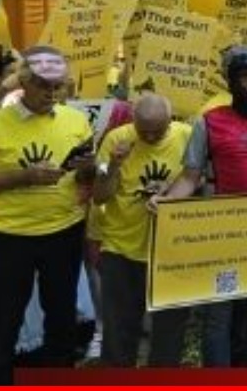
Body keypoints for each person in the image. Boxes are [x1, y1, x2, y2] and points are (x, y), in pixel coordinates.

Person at [149, 46, 247, 368]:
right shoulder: (209, 122)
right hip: (224, 236)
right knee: (218, 315)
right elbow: (191, 176)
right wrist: (166, 203)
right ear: (232, 82)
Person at [0, 46, 96, 384]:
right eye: (43, 85)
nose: (51, 93)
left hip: (63, 233)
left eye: (58, 86)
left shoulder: (76, 120)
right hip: (7, 237)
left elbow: (85, 179)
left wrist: (87, 168)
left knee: (62, 320)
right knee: (3, 323)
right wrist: (24, 177)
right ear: (23, 83)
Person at [90, 94, 192, 367]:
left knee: (169, 335)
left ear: (171, 120)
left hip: (172, 252)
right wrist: (113, 165)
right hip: (121, 249)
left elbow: (199, 179)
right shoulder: (116, 139)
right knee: (118, 334)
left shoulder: (187, 136)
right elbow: (99, 196)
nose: (149, 137)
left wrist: (171, 192)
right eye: (142, 131)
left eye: (157, 131)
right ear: (132, 121)